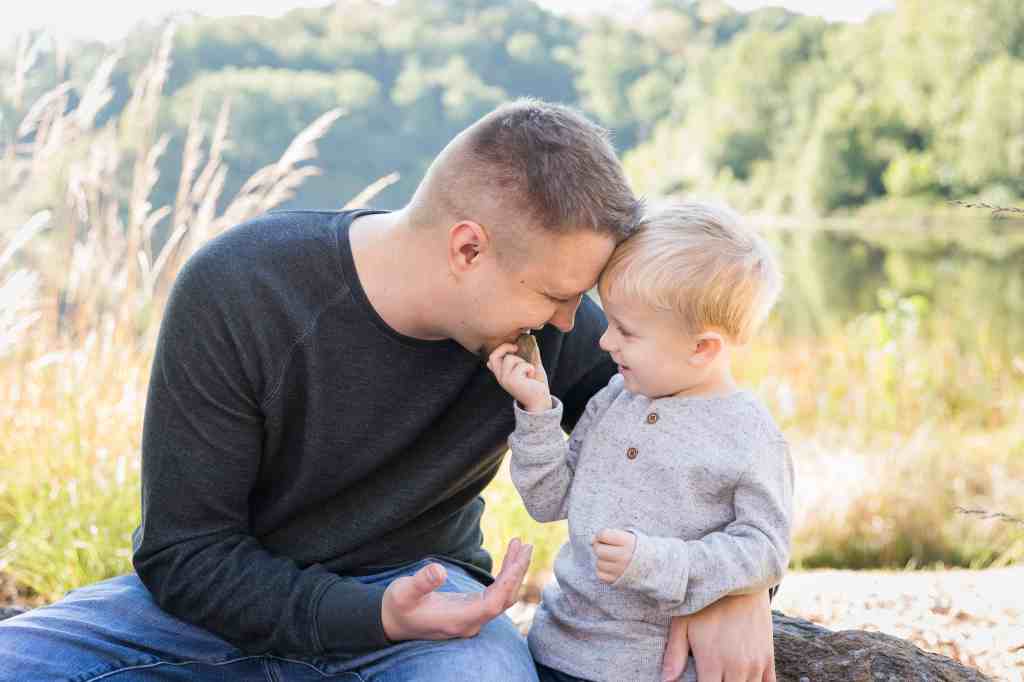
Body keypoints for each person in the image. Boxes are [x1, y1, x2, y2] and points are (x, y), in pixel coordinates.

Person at [0, 101, 777, 681]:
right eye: (558, 295)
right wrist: (362, 616)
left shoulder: (558, 331)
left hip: (432, 614)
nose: (580, 323)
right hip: (201, 615)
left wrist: (735, 587)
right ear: (467, 247)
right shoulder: (242, 288)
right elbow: (186, 556)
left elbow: (711, 448)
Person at [487, 202, 794, 682]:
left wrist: (659, 563)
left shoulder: (749, 435)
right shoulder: (616, 398)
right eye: (608, 322)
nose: (605, 342)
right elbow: (551, 500)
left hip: (652, 669)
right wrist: (537, 411)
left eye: (626, 331)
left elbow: (765, 551)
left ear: (702, 348)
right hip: (554, 651)